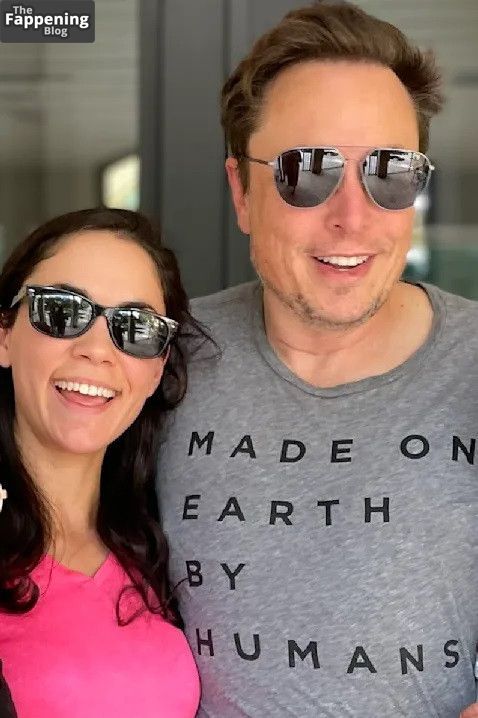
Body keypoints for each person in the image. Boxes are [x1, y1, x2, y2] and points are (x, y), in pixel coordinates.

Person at [157, 2, 478, 716]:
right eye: (306, 171)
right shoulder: (160, 358)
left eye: (390, 172)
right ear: (241, 191)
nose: (353, 217)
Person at [0, 208, 204, 718]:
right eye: (62, 310)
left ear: (157, 368)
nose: (97, 350)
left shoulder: (161, 544)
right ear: (4, 334)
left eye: (136, 328)